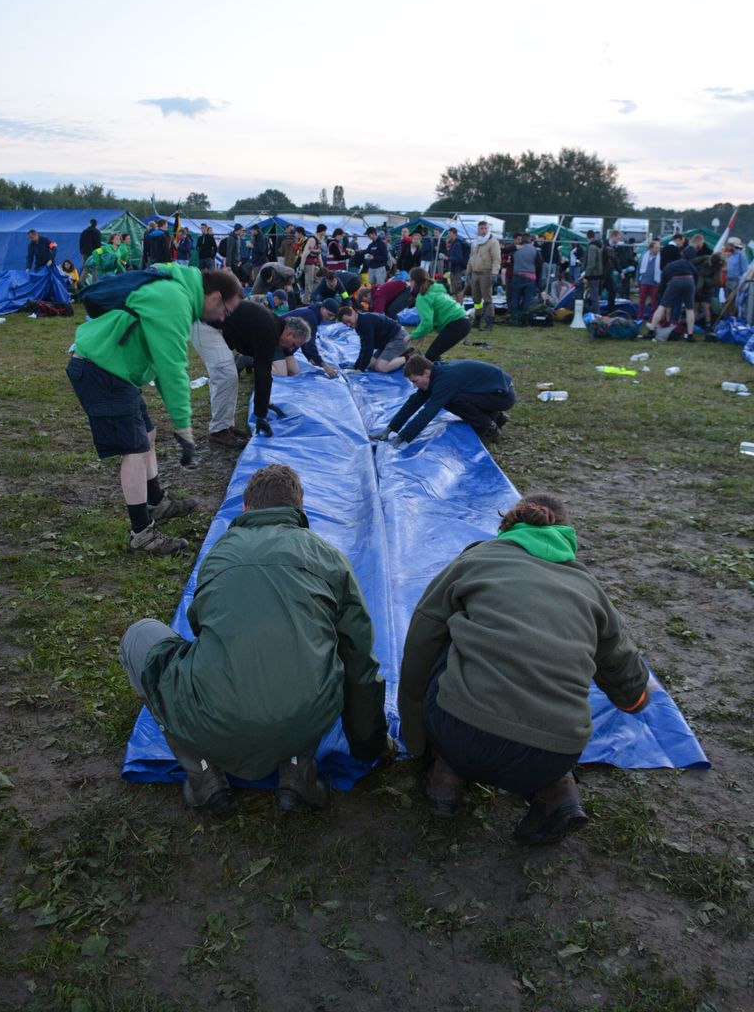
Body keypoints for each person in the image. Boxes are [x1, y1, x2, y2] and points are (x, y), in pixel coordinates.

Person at [118, 463, 390, 816]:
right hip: (303, 716)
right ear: (300, 509)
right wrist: (371, 746)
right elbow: (359, 662)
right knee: (318, 652)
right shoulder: (328, 556)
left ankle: (203, 775)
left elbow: (200, 625)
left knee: (140, 636)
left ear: (246, 509)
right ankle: (297, 771)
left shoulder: (221, 553)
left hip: (211, 717)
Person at [397, 492, 652, 842]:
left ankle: (446, 774)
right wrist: (635, 699)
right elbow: (626, 677)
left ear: (506, 526)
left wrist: (417, 738)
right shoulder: (588, 587)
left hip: (461, 733)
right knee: (548, 703)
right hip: (555, 752)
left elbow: (421, 642)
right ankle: (558, 793)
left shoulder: (479, 558)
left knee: (447, 637)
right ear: (565, 534)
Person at [67, 266, 243, 554]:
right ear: (213, 297)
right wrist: (184, 427)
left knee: (147, 434)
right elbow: (172, 368)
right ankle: (142, 534)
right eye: (226, 310)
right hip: (100, 369)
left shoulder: (179, 292)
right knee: (134, 450)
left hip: (119, 368)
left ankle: (157, 502)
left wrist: (179, 422)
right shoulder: (174, 300)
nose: (224, 318)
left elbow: (163, 368)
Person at [372, 352, 515, 445]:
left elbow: (428, 412)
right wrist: (390, 429)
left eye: (415, 381)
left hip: (503, 395)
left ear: (426, 372)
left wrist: (402, 438)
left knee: (454, 400)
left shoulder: (445, 380)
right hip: (493, 392)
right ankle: (497, 417)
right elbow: (413, 403)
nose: (415, 386)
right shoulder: (434, 376)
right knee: (453, 398)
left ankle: (489, 428)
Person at [221, 301, 311, 436]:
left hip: (225, 328)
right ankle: (219, 431)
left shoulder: (275, 326)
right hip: (211, 325)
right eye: (293, 344)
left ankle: (226, 427)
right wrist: (261, 415)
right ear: (289, 333)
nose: (291, 349)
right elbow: (263, 372)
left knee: (229, 377)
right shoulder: (269, 332)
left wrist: (264, 401)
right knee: (225, 377)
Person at [407, 267, 470, 359]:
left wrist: (411, 336)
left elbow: (427, 322)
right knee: (434, 354)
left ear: (415, 281)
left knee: (430, 356)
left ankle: (440, 372)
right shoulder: (434, 289)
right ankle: (440, 370)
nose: (409, 282)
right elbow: (431, 318)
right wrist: (422, 333)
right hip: (463, 321)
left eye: (410, 279)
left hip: (456, 324)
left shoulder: (423, 297)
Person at [337, 305, 411, 373]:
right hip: (386, 342)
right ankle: (396, 356)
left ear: (353, 313)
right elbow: (364, 347)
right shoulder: (358, 324)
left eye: (349, 321)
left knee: (381, 367)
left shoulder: (365, 322)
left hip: (399, 338)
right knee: (370, 365)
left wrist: (360, 370)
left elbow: (369, 347)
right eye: (346, 323)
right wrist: (356, 367)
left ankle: (408, 357)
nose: (348, 325)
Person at [647, 255, 698, 341]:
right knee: (689, 309)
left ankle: (651, 330)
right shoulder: (686, 262)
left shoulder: (667, 267)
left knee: (662, 306)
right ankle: (690, 335)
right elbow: (696, 274)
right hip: (690, 280)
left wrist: (661, 296)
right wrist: (693, 286)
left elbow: (663, 284)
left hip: (675, 281)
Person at [465, 221, 501, 330]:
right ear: (478, 229)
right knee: (476, 300)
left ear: (488, 229)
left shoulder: (493, 242)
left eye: (485, 228)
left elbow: (496, 259)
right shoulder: (475, 242)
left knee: (487, 299)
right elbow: (471, 258)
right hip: (475, 274)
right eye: (481, 228)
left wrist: (494, 273)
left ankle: (489, 322)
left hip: (486, 273)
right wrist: (468, 272)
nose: (484, 230)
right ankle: (477, 319)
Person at [509, 234, 540, 315]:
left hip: (517, 275)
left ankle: (514, 315)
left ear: (521, 239)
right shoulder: (534, 250)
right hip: (530, 277)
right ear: (529, 240)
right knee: (528, 297)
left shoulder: (515, 249)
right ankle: (526, 315)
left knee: (515, 296)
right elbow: (539, 264)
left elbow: (512, 263)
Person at [636, 239, 661, 320]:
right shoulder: (643, 256)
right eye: (656, 248)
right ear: (651, 248)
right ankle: (640, 316)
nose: (658, 249)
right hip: (644, 281)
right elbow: (639, 268)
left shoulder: (661, 257)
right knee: (642, 300)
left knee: (654, 301)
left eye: (658, 248)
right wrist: (637, 279)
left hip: (655, 282)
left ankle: (653, 317)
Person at [300, 224, 326, 295]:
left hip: (315, 264)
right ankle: (307, 300)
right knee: (309, 281)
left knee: (318, 279)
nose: (325, 233)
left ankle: (313, 295)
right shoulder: (312, 239)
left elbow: (319, 254)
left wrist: (321, 265)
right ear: (322, 231)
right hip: (309, 263)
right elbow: (305, 253)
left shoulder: (319, 240)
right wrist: (302, 266)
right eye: (324, 231)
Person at [582, 231, 604, 314]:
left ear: (587, 236)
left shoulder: (592, 247)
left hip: (593, 275)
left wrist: (586, 275)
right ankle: (595, 312)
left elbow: (591, 263)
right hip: (598, 274)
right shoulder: (599, 246)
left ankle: (596, 314)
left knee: (594, 296)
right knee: (595, 295)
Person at [444, 229, 468, 300]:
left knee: (458, 291)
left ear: (455, 234)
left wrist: (447, 258)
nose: (448, 235)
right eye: (448, 233)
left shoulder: (457, 244)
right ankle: (458, 307)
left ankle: (459, 308)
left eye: (450, 233)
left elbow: (458, 259)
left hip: (457, 271)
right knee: (456, 290)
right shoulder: (454, 243)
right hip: (455, 270)